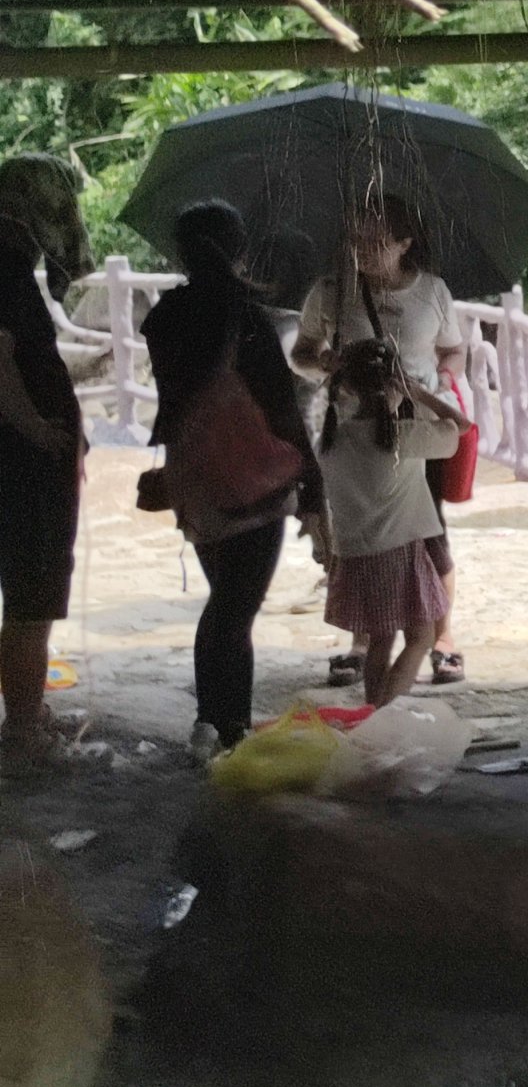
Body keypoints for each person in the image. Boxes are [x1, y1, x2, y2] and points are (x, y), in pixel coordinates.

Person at [142, 200, 323, 757]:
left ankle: (214, 722)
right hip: (255, 479)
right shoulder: (246, 318)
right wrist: (312, 485)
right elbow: (281, 408)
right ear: (240, 248)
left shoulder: (164, 318)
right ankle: (227, 727)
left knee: (225, 600)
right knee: (234, 610)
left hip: (195, 478)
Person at [295, 196, 469, 687]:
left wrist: (435, 383)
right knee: (363, 532)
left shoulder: (432, 291)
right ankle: (368, 639)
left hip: (413, 427)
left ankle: (440, 638)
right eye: (356, 240)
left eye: (375, 242)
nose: (362, 251)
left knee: (428, 533)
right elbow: (302, 352)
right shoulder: (331, 292)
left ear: (405, 243)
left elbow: (454, 350)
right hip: (354, 422)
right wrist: (326, 363)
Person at [317, 339, 470, 705]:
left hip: (355, 555)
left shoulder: (332, 440)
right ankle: (386, 710)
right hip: (398, 553)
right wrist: (418, 393)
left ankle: (374, 710)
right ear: (395, 383)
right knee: (420, 638)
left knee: (380, 641)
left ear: (348, 387)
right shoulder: (402, 437)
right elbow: (462, 426)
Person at [0, 212, 84, 776]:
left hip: (27, 461)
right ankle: (22, 730)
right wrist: (36, 426)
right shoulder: (5, 270)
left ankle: (24, 716)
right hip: (23, 467)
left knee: (29, 596)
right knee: (31, 597)